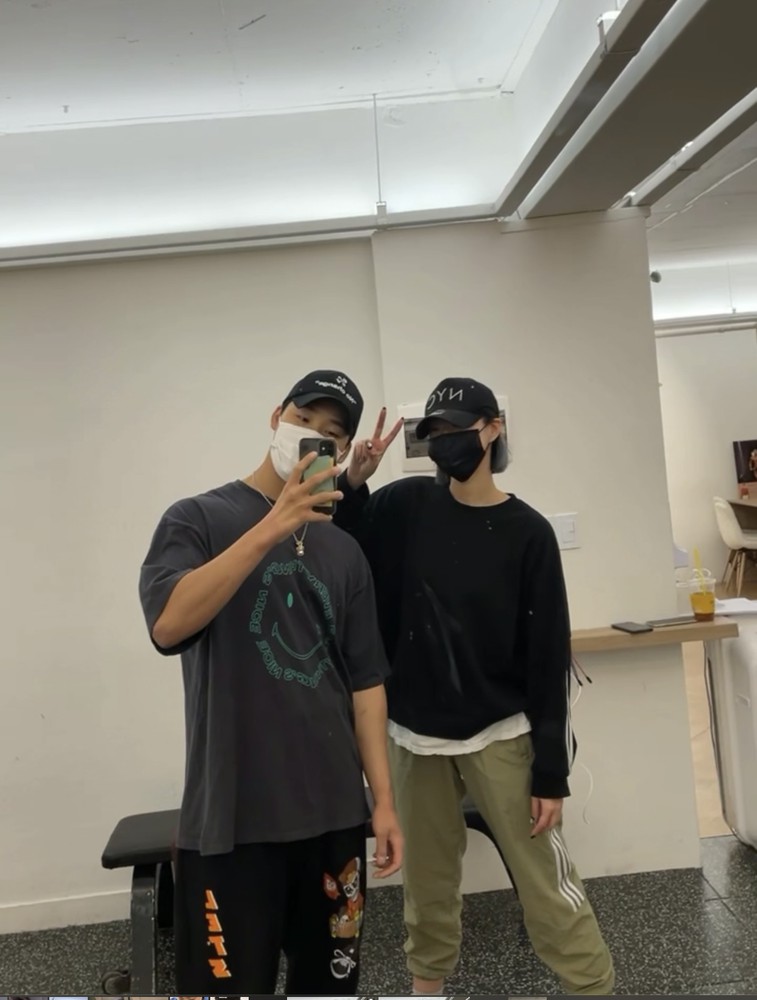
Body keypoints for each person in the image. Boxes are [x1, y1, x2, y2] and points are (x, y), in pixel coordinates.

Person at [335, 377, 615, 996]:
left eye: (455, 429)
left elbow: (547, 657)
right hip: (413, 737)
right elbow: (346, 543)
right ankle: (426, 988)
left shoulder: (528, 532)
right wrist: (353, 481)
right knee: (427, 885)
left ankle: (592, 987)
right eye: (432, 432)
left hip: (502, 735)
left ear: (492, 429)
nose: (444, 441)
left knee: (545, 885)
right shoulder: (406, 506)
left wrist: (551, 773)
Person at [139, 370, 403, 995]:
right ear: (276, 416)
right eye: (304, 419)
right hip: (231, 824)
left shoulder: (344, 552)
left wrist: (384, 801)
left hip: (334, 821)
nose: (313, 435)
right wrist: (272, 526)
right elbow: (167, 625)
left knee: (328, 990)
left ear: (342, 451)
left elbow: (366, 685)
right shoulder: (196, 519)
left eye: (331, 432)